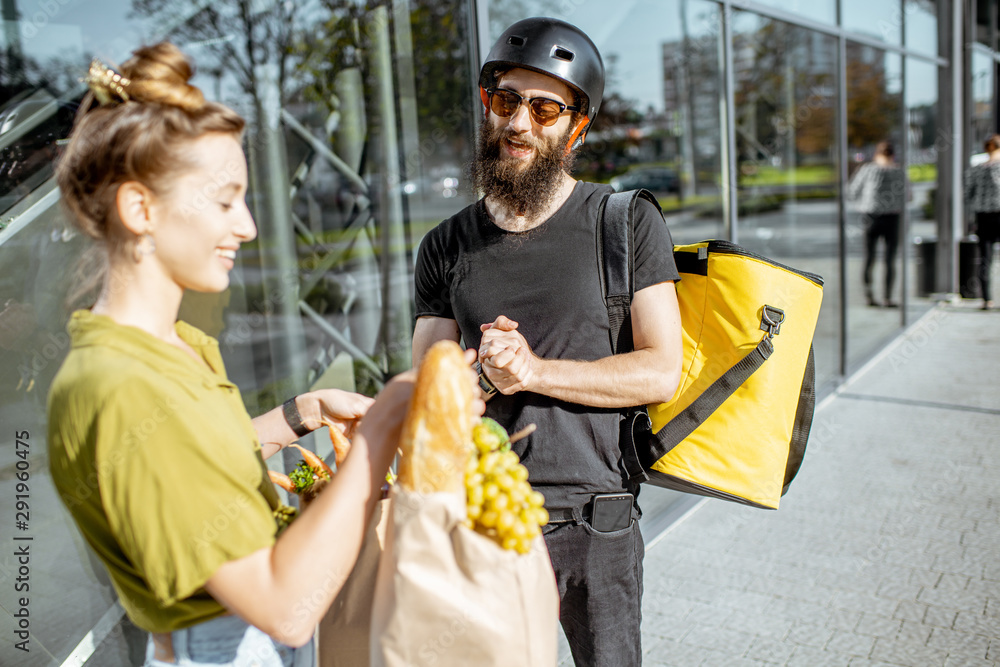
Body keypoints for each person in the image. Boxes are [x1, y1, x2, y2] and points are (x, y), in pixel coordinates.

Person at [47, 42, 480, 667]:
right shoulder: (121, 385)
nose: (248, 226)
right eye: (224, 200)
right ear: (140, 208)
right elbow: (286, 606)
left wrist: (302, 413)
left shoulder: (170, 347)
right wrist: (383, 427)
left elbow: (188, 466)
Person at [411, 17, 683, 667]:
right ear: (487, 105)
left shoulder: (623, 223)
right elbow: (428, 392)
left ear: (576, 127)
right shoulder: (446, 245)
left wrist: (532, 371)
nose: (519, 123)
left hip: (598, 520)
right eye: (506, 100)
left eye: (544, 108)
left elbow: (660, 371)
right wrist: (480, 376)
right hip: (482, 520)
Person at [847, 140, 905, 307]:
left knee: (869, 258)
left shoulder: (868, 170)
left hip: (871, 216)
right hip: (892, 218)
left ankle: (869, 296)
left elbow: (852, 191)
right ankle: (887, 297)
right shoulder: (898, 171)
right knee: (889, 259)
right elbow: (907, 196)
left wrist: (864, 204)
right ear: (893, 155)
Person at [965, 134, 1000, 309]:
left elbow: (967, 195)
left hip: (983, 216)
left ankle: (987, 299)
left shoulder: (977, 169)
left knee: (985, 258)